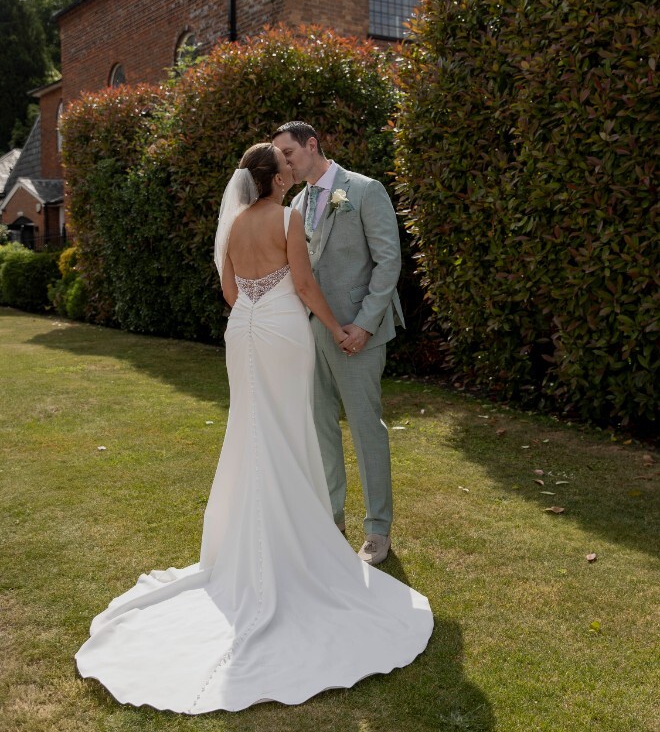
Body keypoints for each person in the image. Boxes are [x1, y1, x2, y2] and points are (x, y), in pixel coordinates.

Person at [75, 143, 432, 714]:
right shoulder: (289, 217)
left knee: (251, 431)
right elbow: (307, 286)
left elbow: (229, 292)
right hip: (285, 334)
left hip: (243, 332)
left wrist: (257, 308)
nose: (293, 170)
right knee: (290, 431)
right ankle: (299, 543)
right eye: (286, 166)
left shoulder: (233, 222)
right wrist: (334, 322)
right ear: (274, 179)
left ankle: (247, 545)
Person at [272, 122, 403, 566]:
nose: (284, 162)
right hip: (312, 333)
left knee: (367, 429)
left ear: (312, 145)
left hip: (356, 335)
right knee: (321, 429)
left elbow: (388, 261)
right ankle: (332, 519)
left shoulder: (364, 190)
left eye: (288, 152)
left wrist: (364, 325)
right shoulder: (296, 202)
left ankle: (377, 530)